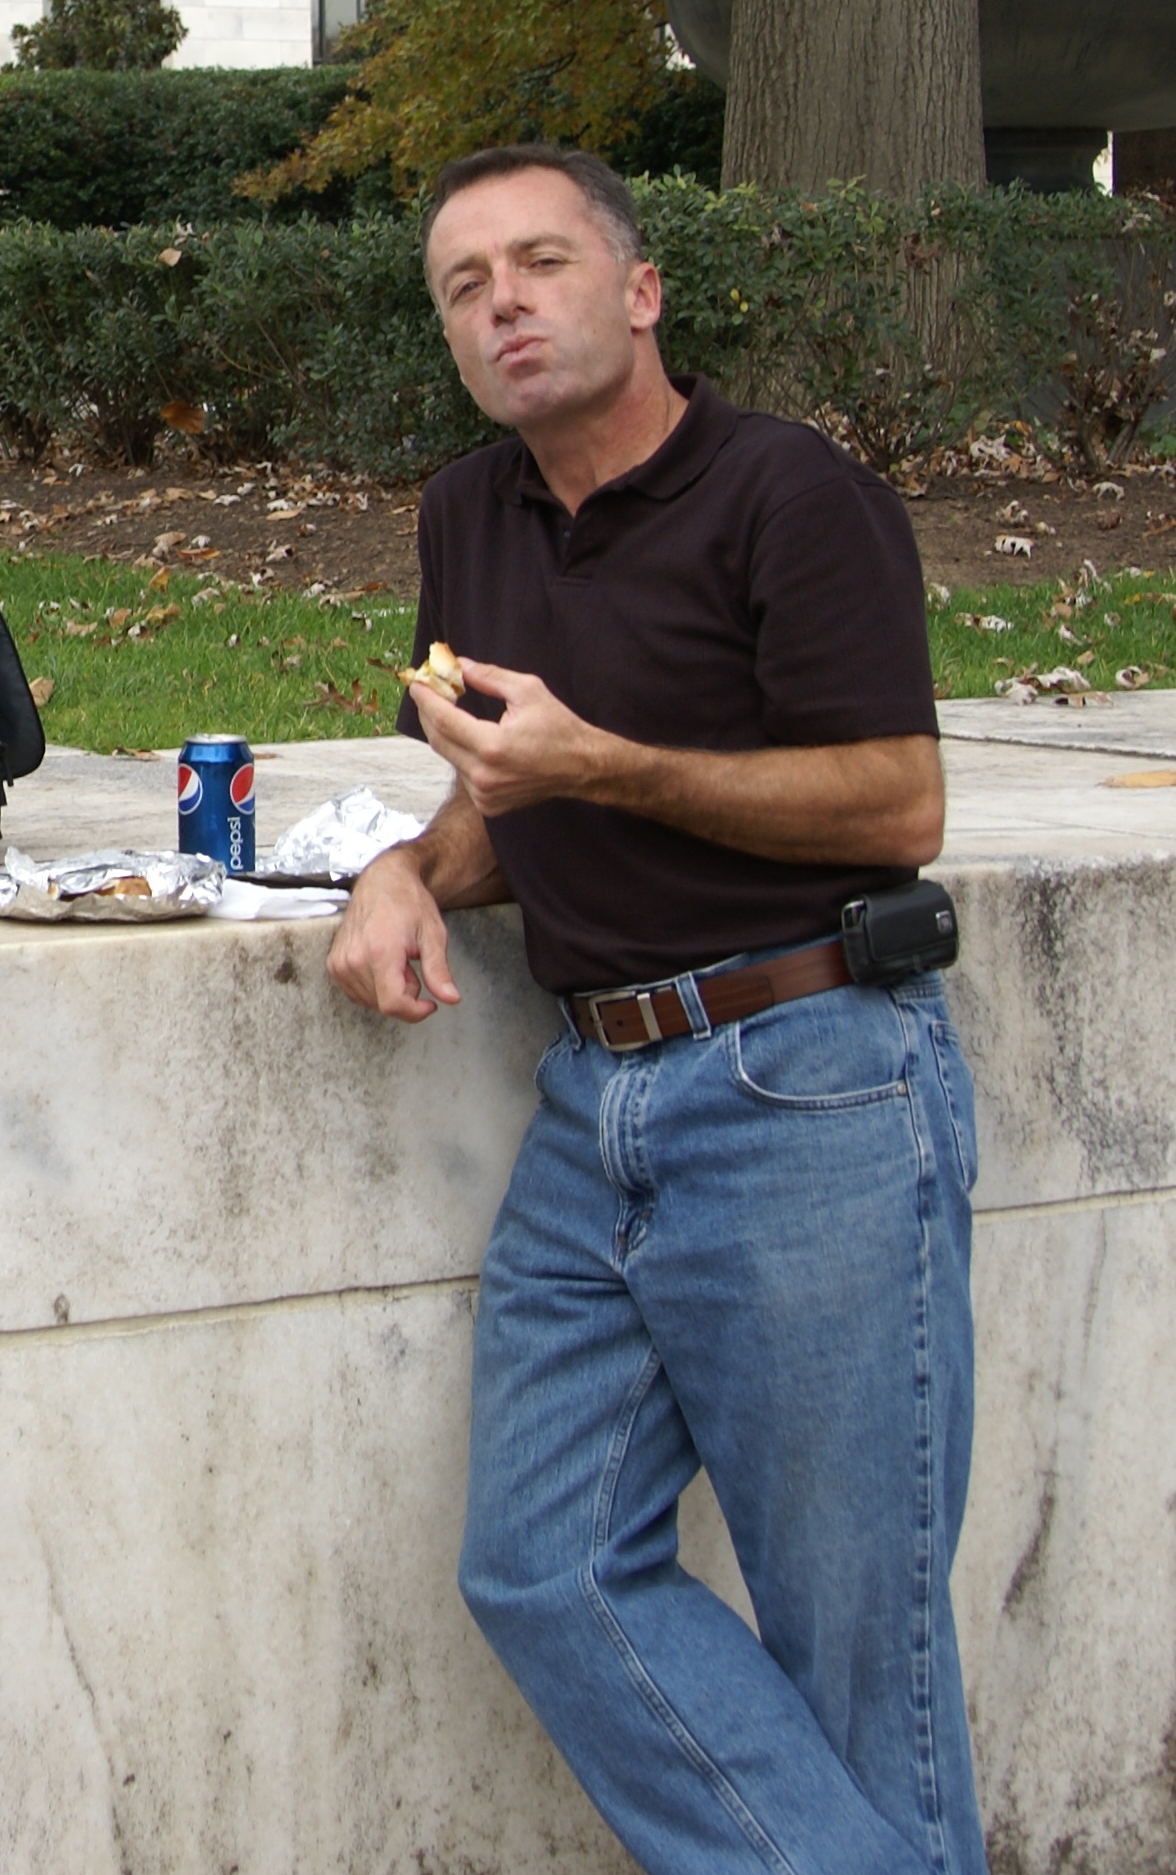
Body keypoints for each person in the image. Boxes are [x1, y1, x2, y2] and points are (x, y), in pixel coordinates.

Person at [328, 145, 983, 1875]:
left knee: (861, 1653)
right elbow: (504, 791)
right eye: (466, 287)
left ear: (639, 289)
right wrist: (405, 865)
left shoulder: (792, 494)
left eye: (540, 263)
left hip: (810, 1079)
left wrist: (601, 762)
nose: (504, 304)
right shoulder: (467, 513)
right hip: (593, 1100)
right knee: (540, 1565)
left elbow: (894, 803)